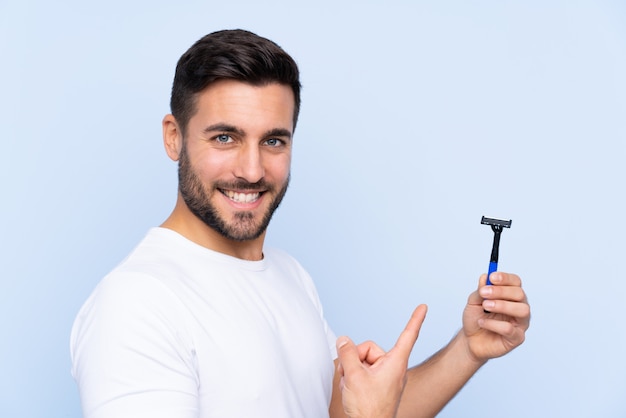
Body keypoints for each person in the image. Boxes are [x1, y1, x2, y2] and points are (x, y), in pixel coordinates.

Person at [70, 29, 530, 418]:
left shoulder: (290, 275)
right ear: (175, 137)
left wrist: (469, 350)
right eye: (225, 137)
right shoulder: (137, 305)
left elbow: (354, 411)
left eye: (273, 140)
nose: (251, 170)